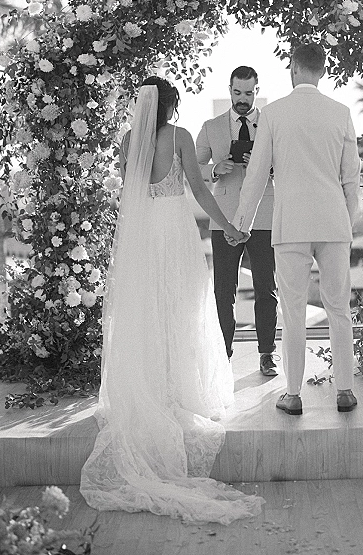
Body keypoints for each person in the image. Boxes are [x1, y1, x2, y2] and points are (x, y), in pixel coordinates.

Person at [80, 77, 263, 523]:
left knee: (148, 311)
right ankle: (180, 388)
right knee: (181, 310)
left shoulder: (129, 140)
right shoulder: (179, 136)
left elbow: (130, 196)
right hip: (176, 231)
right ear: (171, 105)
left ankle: (153, 385)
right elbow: (200, 192)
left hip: (144, 237)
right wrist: (231, 227)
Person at [231, 45, 362, 416]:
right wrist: (345, 224)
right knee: (339, 309)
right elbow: (352, 180)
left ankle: (292, 394)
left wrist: (242, 224)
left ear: (293, 69)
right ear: (321, 71)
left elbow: (256, 177)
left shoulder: (273, 114)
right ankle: (346, 392)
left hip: (291, 225)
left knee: (292, 312)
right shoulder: (341, 113)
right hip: (334, 223)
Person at [196, 66, 278, 375]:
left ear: (257, 90)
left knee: (265, 287)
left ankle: (267, 353)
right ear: (229, 89)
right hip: (225, 216)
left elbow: (285, 165)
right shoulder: (212, 126)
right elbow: (193, 166)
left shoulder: (272, 124)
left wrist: (265, 166)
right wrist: (217, 169)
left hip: (264, 214)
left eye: (248, 93)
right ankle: (222, 355)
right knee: (223, 289)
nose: (242, 99)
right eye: (237, 92)